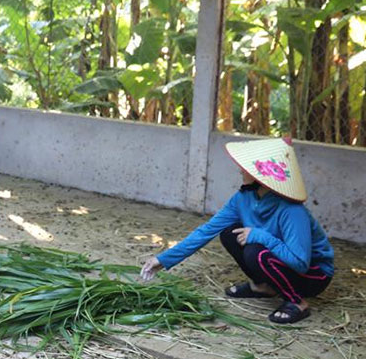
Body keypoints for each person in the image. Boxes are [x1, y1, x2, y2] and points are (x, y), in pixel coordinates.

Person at [140, 138, 334, 324]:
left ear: (263, 176)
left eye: (248, 167)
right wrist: (164, 259)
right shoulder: (243, 198)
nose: (241, 169)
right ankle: (263, 287)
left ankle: (297, 302)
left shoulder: (292, 210)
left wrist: (260, 236)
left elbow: (300, 262)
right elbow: (207, 230)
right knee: (229, 232)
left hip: (313, 275)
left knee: (255, 251)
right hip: (277, 261)